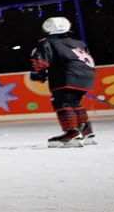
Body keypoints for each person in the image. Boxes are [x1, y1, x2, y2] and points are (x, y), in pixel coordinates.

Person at [30, 16, 98, 147]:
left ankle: (71, 134)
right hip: (87, 75)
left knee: (62, 102)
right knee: (74, 102)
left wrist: (37, 73)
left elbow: (40, 60)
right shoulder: (78, 43)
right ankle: (86, 132)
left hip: (67, 75)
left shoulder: (47, 41)